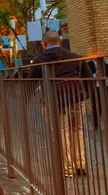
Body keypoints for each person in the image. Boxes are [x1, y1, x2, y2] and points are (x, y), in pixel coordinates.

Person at [25, 31, 93, 176]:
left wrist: (25, 101)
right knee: (77, 129)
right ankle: (81, 164)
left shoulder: (39, 60)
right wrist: (85, 94)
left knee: (60, 132)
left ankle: (67, 168)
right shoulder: (75, 57)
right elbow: (88, 77)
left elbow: (29, 83)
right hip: (75, 98)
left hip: (53, 101)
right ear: (60, 42)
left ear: (44, 44)